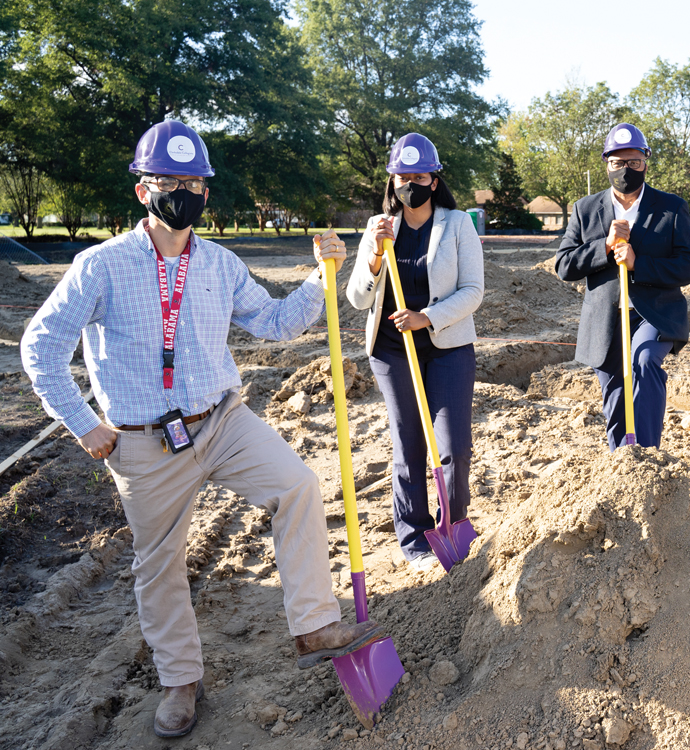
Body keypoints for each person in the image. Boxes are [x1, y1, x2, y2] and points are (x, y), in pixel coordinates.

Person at [20, 121, 382, 738]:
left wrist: (321, 276)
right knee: (159, 565)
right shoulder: (98, 267)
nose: (181, 192)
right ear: (143, 191)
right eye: (168, 181)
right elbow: (40, 348)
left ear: (206, 194)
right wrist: (83, 425)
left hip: (221, 420)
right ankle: (181, 680)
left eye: (193, 182)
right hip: (140, 442)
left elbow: (272, 324)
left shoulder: (219, 263)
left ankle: (314, 624)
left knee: (296, 486)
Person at [347, 133, 484, 572]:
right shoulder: (378, 227)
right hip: (391, 351)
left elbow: (473, 291)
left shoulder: (458, 223)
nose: (411, 184)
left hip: (448, 347)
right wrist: (373, 259)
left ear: (434, 178)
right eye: (403, 176)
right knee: (408, 446)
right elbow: (357, 299)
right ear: (392, 180)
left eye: (419, 175)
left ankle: (452, 525)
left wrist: (428, 316)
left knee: (454, 447)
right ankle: (414, 538)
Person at [555, 123, 690, 450]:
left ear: (646, 161)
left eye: (633, 162)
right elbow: (564, 265)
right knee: (615, 392)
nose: (625, 169)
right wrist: (604, 247)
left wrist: (639, 264)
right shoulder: (586, 209)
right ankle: (622, 462)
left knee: (645, 360)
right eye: (617, 162)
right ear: (606, 163)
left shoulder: (671, 208)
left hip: (654, 314)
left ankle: (647, 456)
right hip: (605, 319)